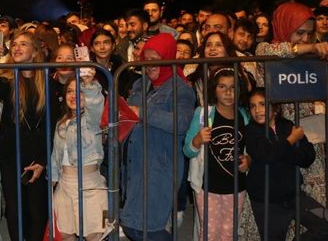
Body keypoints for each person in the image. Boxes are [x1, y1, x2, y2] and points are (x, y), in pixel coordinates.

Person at [120, 33, 195, 241]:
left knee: (146, 228)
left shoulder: (181, 89)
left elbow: (182, 123)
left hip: (160, 166)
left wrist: (143, 112)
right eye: (147, 59)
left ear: (169, 58)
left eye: (157, 59)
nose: (150, 65)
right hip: (135, 164)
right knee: (132, 225)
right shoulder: (140, 84)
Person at [0, 31, 60, 241]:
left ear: (35, 51)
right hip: (12, 156)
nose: (17, 48)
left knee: (37, 211)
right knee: (15, 211)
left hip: (37, 155)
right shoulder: (8, 80)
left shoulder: (48, 82)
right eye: (14, 45)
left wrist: (42, 161)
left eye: (23, 44)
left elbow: (52, 124)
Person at [245, 88, 328, 240]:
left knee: (324, 225)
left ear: (275, 108)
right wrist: (290, 141)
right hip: (267, 202)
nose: (257, 110)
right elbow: (268, 155)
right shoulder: (251, 131)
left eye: (263, 104)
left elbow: (308, 156)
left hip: (293, 196)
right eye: (253, 106)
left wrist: (283, 151)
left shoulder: (287, 126)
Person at [183, 67, 251, 241]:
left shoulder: (244, 116)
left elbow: (250, 149)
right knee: (209, 233)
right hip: (207, 187)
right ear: (214, 89)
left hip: (236, 187)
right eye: (222, 87)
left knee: (229, 233)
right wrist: (197, 140)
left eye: (233, 87)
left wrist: (249, 161)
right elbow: (187, 151)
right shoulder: (203, 114)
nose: (228, 92)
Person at [51, 74, 107, 240]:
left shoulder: (91, 120)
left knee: (93, 233)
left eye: (79, 91)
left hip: (89, 184)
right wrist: (53, 178)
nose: (73, 95)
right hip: (64, 185)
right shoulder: (61, 123)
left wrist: (89, 85)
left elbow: (96, 104)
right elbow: (56, 155)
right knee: (65, 232)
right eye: (69, 91)